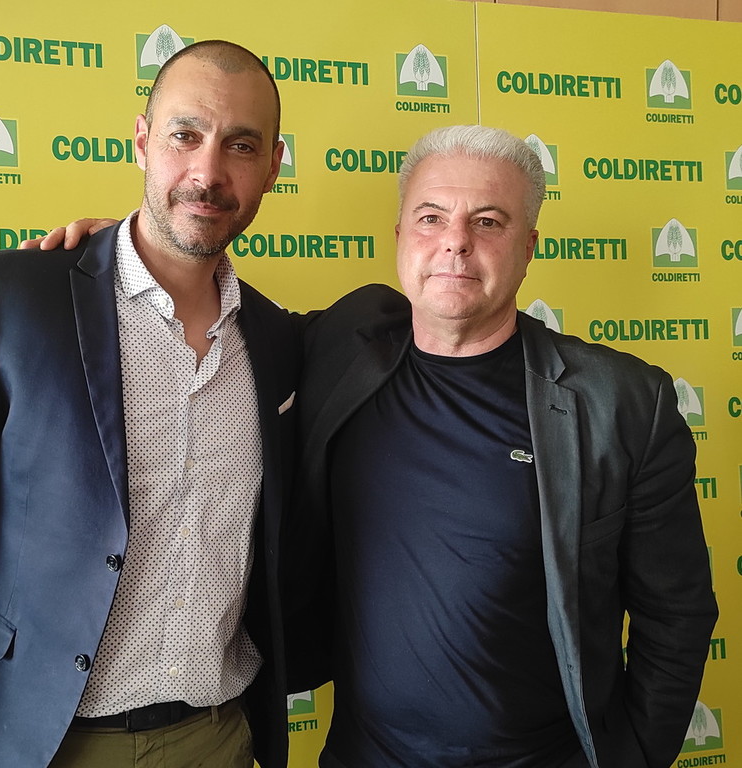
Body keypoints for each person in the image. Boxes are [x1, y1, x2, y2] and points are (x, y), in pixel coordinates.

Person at [39, 125, 717, 768]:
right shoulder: (347, 343)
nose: (455, 244)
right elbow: (221, 313)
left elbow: (677, 616)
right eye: (431, 218)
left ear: (529, 245)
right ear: (400, 237)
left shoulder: (622, 403)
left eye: (488, 222)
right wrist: (136, 255)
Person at [0, 40, 299, 768]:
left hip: (220, 738)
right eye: (185, 135)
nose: (207, 171)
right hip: (36, 743)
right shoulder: (14, 300)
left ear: (274, 166)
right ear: (142, 140)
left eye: (241, 146)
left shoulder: (279, 342)